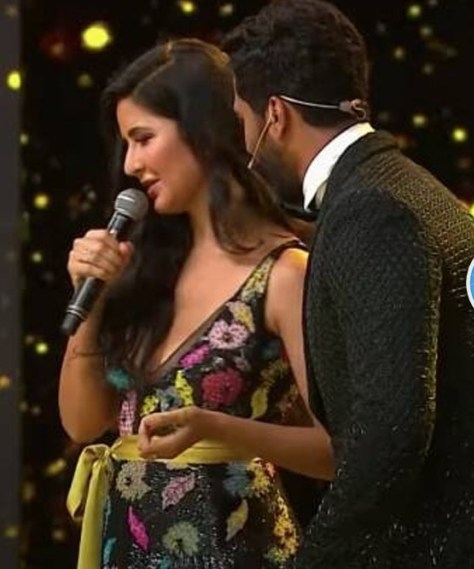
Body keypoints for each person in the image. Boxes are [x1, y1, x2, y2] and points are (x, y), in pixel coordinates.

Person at [222, 1, 474, 567]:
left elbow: (389, 433)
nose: (244, 144)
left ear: (275, 114)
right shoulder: (399, 186)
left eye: (242, 122)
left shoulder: (371, 209)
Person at [59, 39, 333, 568]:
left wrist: (219, 430)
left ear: (202, 131)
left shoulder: (285, 273)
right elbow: (81, 423)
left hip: (237, 548)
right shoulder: (141, 267)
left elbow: (339, 452)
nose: (132, 164)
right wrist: (90, 302)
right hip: (129, 545)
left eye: (144, 139)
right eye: (126, 145)